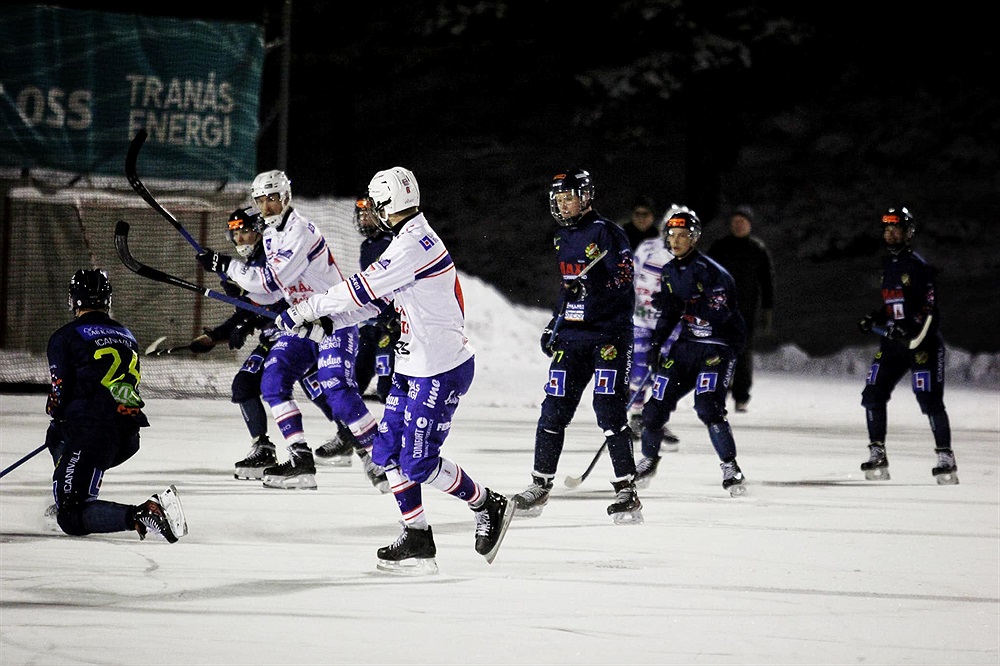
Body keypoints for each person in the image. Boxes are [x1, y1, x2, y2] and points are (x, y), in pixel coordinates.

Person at [275, 166, 515, 572]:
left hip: (438, 369)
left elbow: (359, 290)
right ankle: (417, 536)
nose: (371, 210)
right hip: (413, 365)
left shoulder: (411, 246)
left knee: (419, 463)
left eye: (375, 203)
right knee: (386, 452)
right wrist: (329, 324)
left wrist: (306, 309)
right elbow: (377, 303)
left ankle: (488, 503)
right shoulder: (407, 240)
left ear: (388, 204)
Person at [195, 171, 386, 492]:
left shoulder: (300, 231)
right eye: (261, 200)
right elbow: (270, 292)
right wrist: (237, 289)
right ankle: (300, 458)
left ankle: (378, 456)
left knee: (337, 390)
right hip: (302, 322)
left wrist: (227, 265)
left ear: (286, 197)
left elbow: (270, 280)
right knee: (273, 382)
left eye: (272, 198)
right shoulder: (270, 235)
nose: (267, 206)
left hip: (334, 319)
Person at [512, 168, 643, 524]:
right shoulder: (561, 238)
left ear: (585, 197)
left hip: (608, 334)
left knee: (608, 408)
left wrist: (595, 284)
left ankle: (626, 490)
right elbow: (568, 288)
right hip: (573, 336)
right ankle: (540, 485)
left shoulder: (607, 232)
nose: (563, 204)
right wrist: (554, 322)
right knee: (553, 409)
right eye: (559, 199)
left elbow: (624, 279)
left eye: (569, 197)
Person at [44, 269, 186, 541]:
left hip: (93, 432)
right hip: (127, 435)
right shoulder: (125, 333)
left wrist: (55, 410)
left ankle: (142, 512)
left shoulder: (65, 336)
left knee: (70, 516)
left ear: (74, 299)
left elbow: (59, 393)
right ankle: (73, 489)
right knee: (59, 437)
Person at [635, 209, 749, 496]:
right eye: (671, 235)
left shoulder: (712, 272)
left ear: (695, 238)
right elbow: (670, 314)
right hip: (686, 345)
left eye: (683, 235)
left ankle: (730, 467)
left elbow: (719, 313)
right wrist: (657, 344)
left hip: (717, 345)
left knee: (708, 406)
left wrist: (683, 304)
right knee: (654, 408)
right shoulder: (669, 271)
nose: (676, 241)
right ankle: (648, 460)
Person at [856, 207, 958, 484]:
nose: (890, 234)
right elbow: (893, 305)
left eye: (896, 229)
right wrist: (875, 318)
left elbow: (929, 309)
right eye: (887, 230)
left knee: (929, 398)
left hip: (923, 345)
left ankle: (945, 457)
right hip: (893, 345)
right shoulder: (888, 266)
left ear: (908, 233)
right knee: (872, 393)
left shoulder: (918, 267)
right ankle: (877, 453)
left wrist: (913, 334)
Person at [706, 205, 775, 412]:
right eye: (735, 221)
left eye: (743, 222)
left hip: (746, 312)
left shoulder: (758, 250)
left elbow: (767, 282)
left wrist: (767, 310)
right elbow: (706, 275)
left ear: (750, 225)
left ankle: (741, 395)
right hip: (720, 311)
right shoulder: (719, 247)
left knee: (743, 354)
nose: (739, 225)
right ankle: (717, 392)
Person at [628, 204, 686, 450]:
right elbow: (629, 277)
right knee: (640, 367)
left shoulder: (689, 258)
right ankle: (635, 416)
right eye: (673, 230)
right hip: (642, 319)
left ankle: (655, 420)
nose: (677, 237)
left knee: (665, 373)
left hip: (669, 324)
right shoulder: (648, 248)